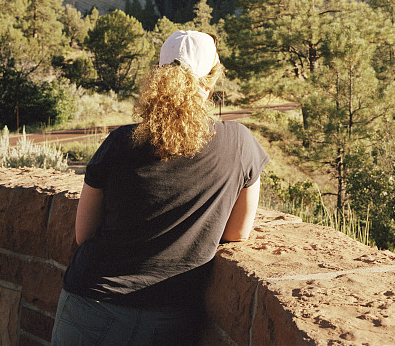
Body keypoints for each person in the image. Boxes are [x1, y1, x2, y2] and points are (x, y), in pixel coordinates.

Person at [51, 30, 269, 345]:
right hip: (169, 317)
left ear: (157, 78)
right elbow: (237, 233)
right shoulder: (239, 143)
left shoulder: (119, 142)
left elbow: (83, 235)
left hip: (91, 306)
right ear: (210, 84)